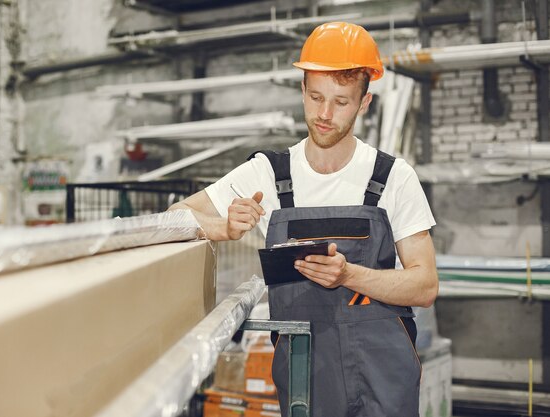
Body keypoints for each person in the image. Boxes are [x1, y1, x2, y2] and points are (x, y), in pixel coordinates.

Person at [169, 21, 438, 417]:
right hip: (305, 372)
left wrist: (349, 275)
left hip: (385, 374)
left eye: (341, 102)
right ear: (302, 90)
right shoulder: (267, 174)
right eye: (315, 97)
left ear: (364, 103)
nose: (324, 114)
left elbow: (425, 284)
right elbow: (178, 216)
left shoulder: (393, 177)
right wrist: (223, 227)